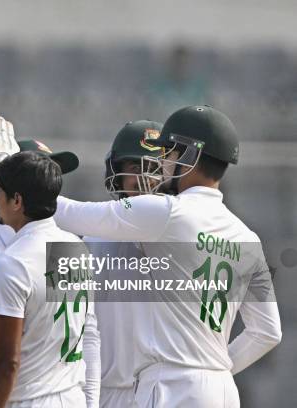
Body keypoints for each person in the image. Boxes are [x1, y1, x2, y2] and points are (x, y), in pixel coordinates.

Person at [52, 106, 282, 407]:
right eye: (136, 167)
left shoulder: (168, 214)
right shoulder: (246, 237)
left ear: (190, 157)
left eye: (167, 154)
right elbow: (268, 332)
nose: (159, 165)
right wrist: (215, 368)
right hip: (219, 389)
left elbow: (68, 213)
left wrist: (19, 178)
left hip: (166, 386)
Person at [0, 118, 91, 408]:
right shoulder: (76, 247)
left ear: (17, 201)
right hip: (70, 396)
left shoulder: (15, 262)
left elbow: (5, 364)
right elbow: (17, 281)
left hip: (30, 399)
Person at [90, 120, 164, 408]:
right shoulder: (89, 239)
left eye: (154, 169)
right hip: (103, 393)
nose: (145, 179)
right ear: (116, 177)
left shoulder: (186, 237)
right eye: (135, 168)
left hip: (166, 392)